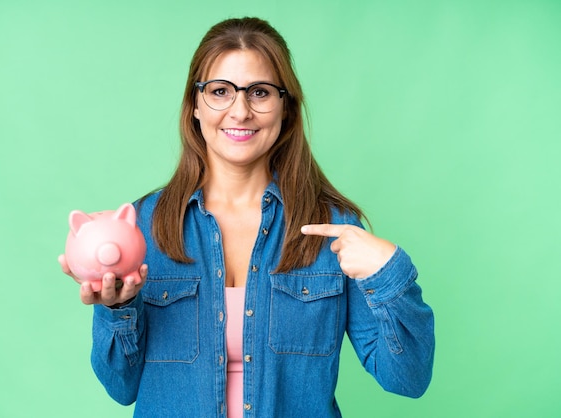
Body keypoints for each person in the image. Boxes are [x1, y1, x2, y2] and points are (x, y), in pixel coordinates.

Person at [60, 16, 434, 417]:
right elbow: (121, 388)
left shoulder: (334, 229)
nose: (240, 111)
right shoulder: (141, 227)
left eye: (259, 92)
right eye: (220, 91)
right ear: (195, 107)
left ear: (285, 109)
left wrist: (389, 273)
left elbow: (407, 380)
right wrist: (118, 308)